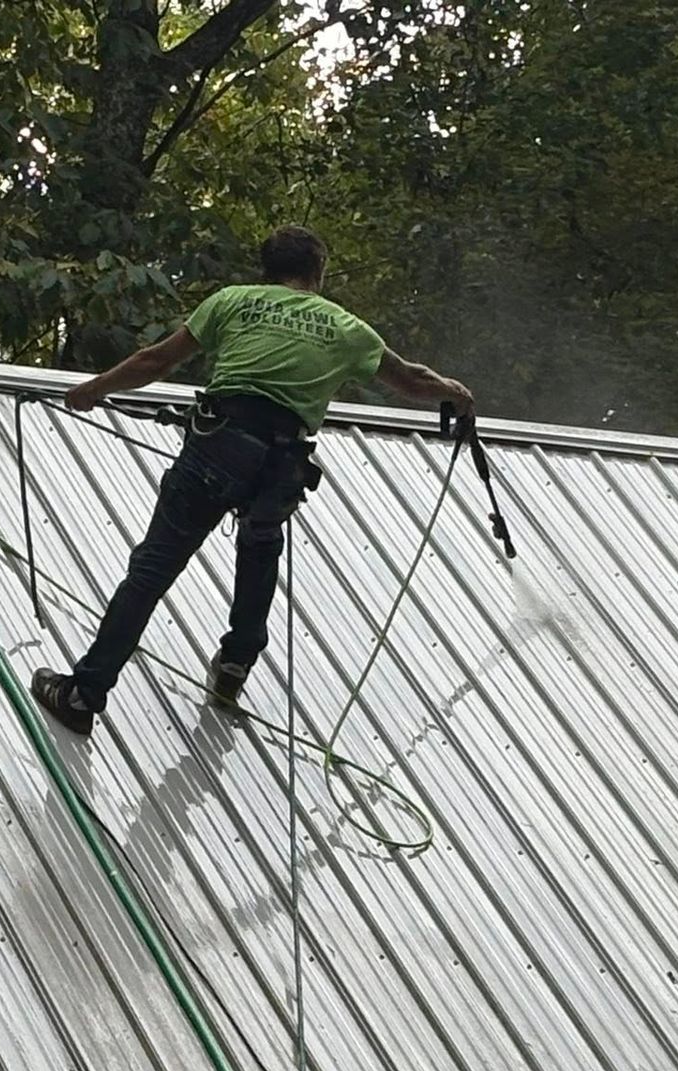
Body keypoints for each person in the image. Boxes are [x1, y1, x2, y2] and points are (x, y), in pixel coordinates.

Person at [29, 224, 475, 735]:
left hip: (217, 445)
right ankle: (236, 660)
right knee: (260, 546)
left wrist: (94, 389)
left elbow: (156, 360)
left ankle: (84, 694)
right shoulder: (345, 327)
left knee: (152, 569)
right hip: (280, 462)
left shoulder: (232, 301)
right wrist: (455, 394)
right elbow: (411, 379)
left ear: (265, 269)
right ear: (318, 272)